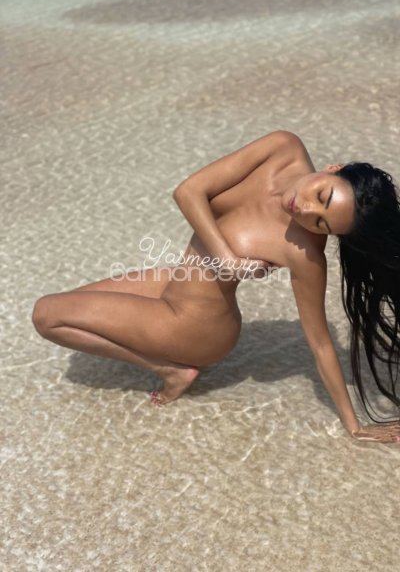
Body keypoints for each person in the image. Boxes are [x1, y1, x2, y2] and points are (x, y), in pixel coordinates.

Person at [32, 130, 400, 443]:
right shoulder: (283, 147)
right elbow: (188, 191)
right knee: (69, 306)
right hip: (176, 280)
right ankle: (173, 366)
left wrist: (355, 427)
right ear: (333, 169)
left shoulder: (305, 253)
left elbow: (319, 343)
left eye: (321, 223)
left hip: (194, 324)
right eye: (322, 196)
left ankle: (171, 369)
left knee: (46, 315)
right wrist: (228, 258)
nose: (305, 211)